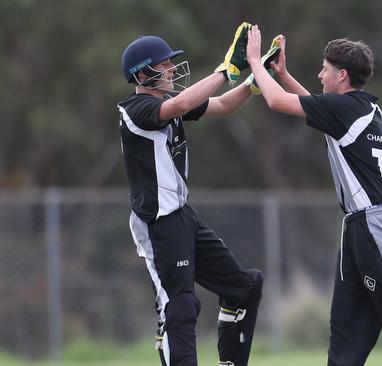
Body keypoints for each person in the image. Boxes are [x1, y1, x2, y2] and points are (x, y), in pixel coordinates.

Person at [246, 25, 382, 366]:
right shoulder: (357, 108)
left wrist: (255, 61)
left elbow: (275, 101)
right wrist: (282, 74)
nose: (319, 75)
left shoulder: (347, 111)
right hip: (359, 227)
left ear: (341, 75)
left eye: (324, 70)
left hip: (375, 223)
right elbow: (315, 106)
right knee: (347, 326)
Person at [118, 22, 276, 366]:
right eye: (165, 64)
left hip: (182, 217)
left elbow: (223, 106)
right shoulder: (137, 110)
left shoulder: (170, 101)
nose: (172, 68)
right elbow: (180, 105)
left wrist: (256, 79)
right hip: (157, 224)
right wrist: (226, 68)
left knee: (244, 287)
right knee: (180, 305)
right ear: (142, 74)